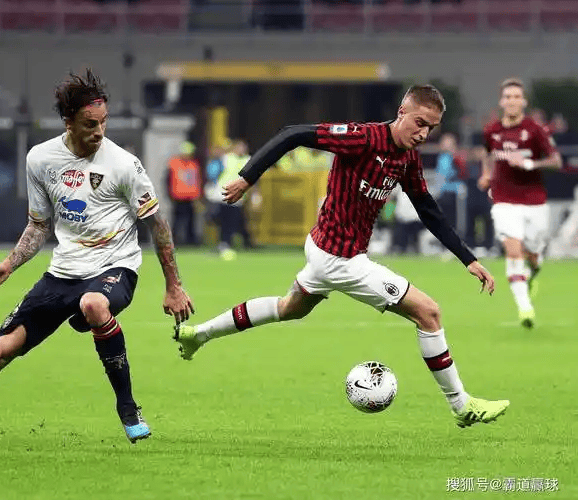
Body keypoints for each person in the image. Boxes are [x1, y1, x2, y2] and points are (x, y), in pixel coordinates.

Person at [0, 69, 194, 451]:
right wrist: (9, 265)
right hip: (62, 274)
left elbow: (157, 224)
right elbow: (39, 225)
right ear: (68, 122)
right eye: (90, 124)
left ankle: (128, 409)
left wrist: (174, 285)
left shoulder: (124, 165)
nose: (99, 131)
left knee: (93, 304)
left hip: (115, 268)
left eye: (103, 122)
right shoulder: (41, 159)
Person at [175, 85, 509, 429]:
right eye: (420, 123)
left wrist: (468, 258)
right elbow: (292, 134)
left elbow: (426, 207)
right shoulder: (362, 139)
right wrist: (247, 178)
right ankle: (461, 405)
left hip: (326, 250)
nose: (423, 134)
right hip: (340, 258)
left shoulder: (407, 157)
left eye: (431, 128)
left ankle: (197, 335)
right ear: (402, 112)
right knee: (429, 313)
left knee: (290, 308)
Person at [478, 78, 562, 329]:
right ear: (501, 101)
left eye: (516, 96)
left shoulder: (535, 130)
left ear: (523, 101)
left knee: (533, 255)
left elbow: (556, 161)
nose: (512, 101)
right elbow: (487, 153)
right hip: (503, 200)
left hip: (534, 202)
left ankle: (532, 273)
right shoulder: (492, 130)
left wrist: (529, 164)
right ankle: (525, 308)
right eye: (508, 97)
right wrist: (486, 173)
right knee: (513, 252)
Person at [216, 140, 253, 259]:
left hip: (238, 196)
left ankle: (233, 243)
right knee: (225, 221)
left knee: (236, 221)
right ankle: (225, 243)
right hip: (224, 194)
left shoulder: (248, 160)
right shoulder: (227, 158)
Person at [166, 141, 201, 245]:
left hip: (191, 197)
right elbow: (168, 181)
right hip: (178, 197)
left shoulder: (194, 164)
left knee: (191, 221)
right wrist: (169, 195)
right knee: (177, 221)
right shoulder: (174, 163)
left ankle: (190, 241)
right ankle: (174, 240)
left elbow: (197, 181)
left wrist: (198, 196)